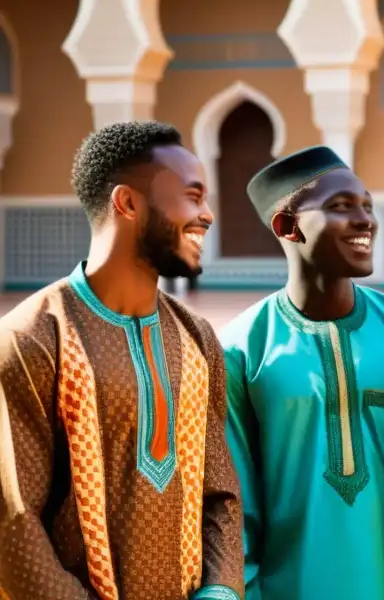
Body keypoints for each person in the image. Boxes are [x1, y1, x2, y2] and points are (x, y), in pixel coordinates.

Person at [0, 121, 243, 599]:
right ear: (128, 203)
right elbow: (14, 524)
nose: (207, 215)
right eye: (193, 197)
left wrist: (220, 590)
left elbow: (221, 495)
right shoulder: (31, 339)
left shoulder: (198, 339)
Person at [219, 146, 384, 600]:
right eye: (341, 207)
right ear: (287, 227)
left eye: (367, 205)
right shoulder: (240, 349)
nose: (365, 220)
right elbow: (236, 497)